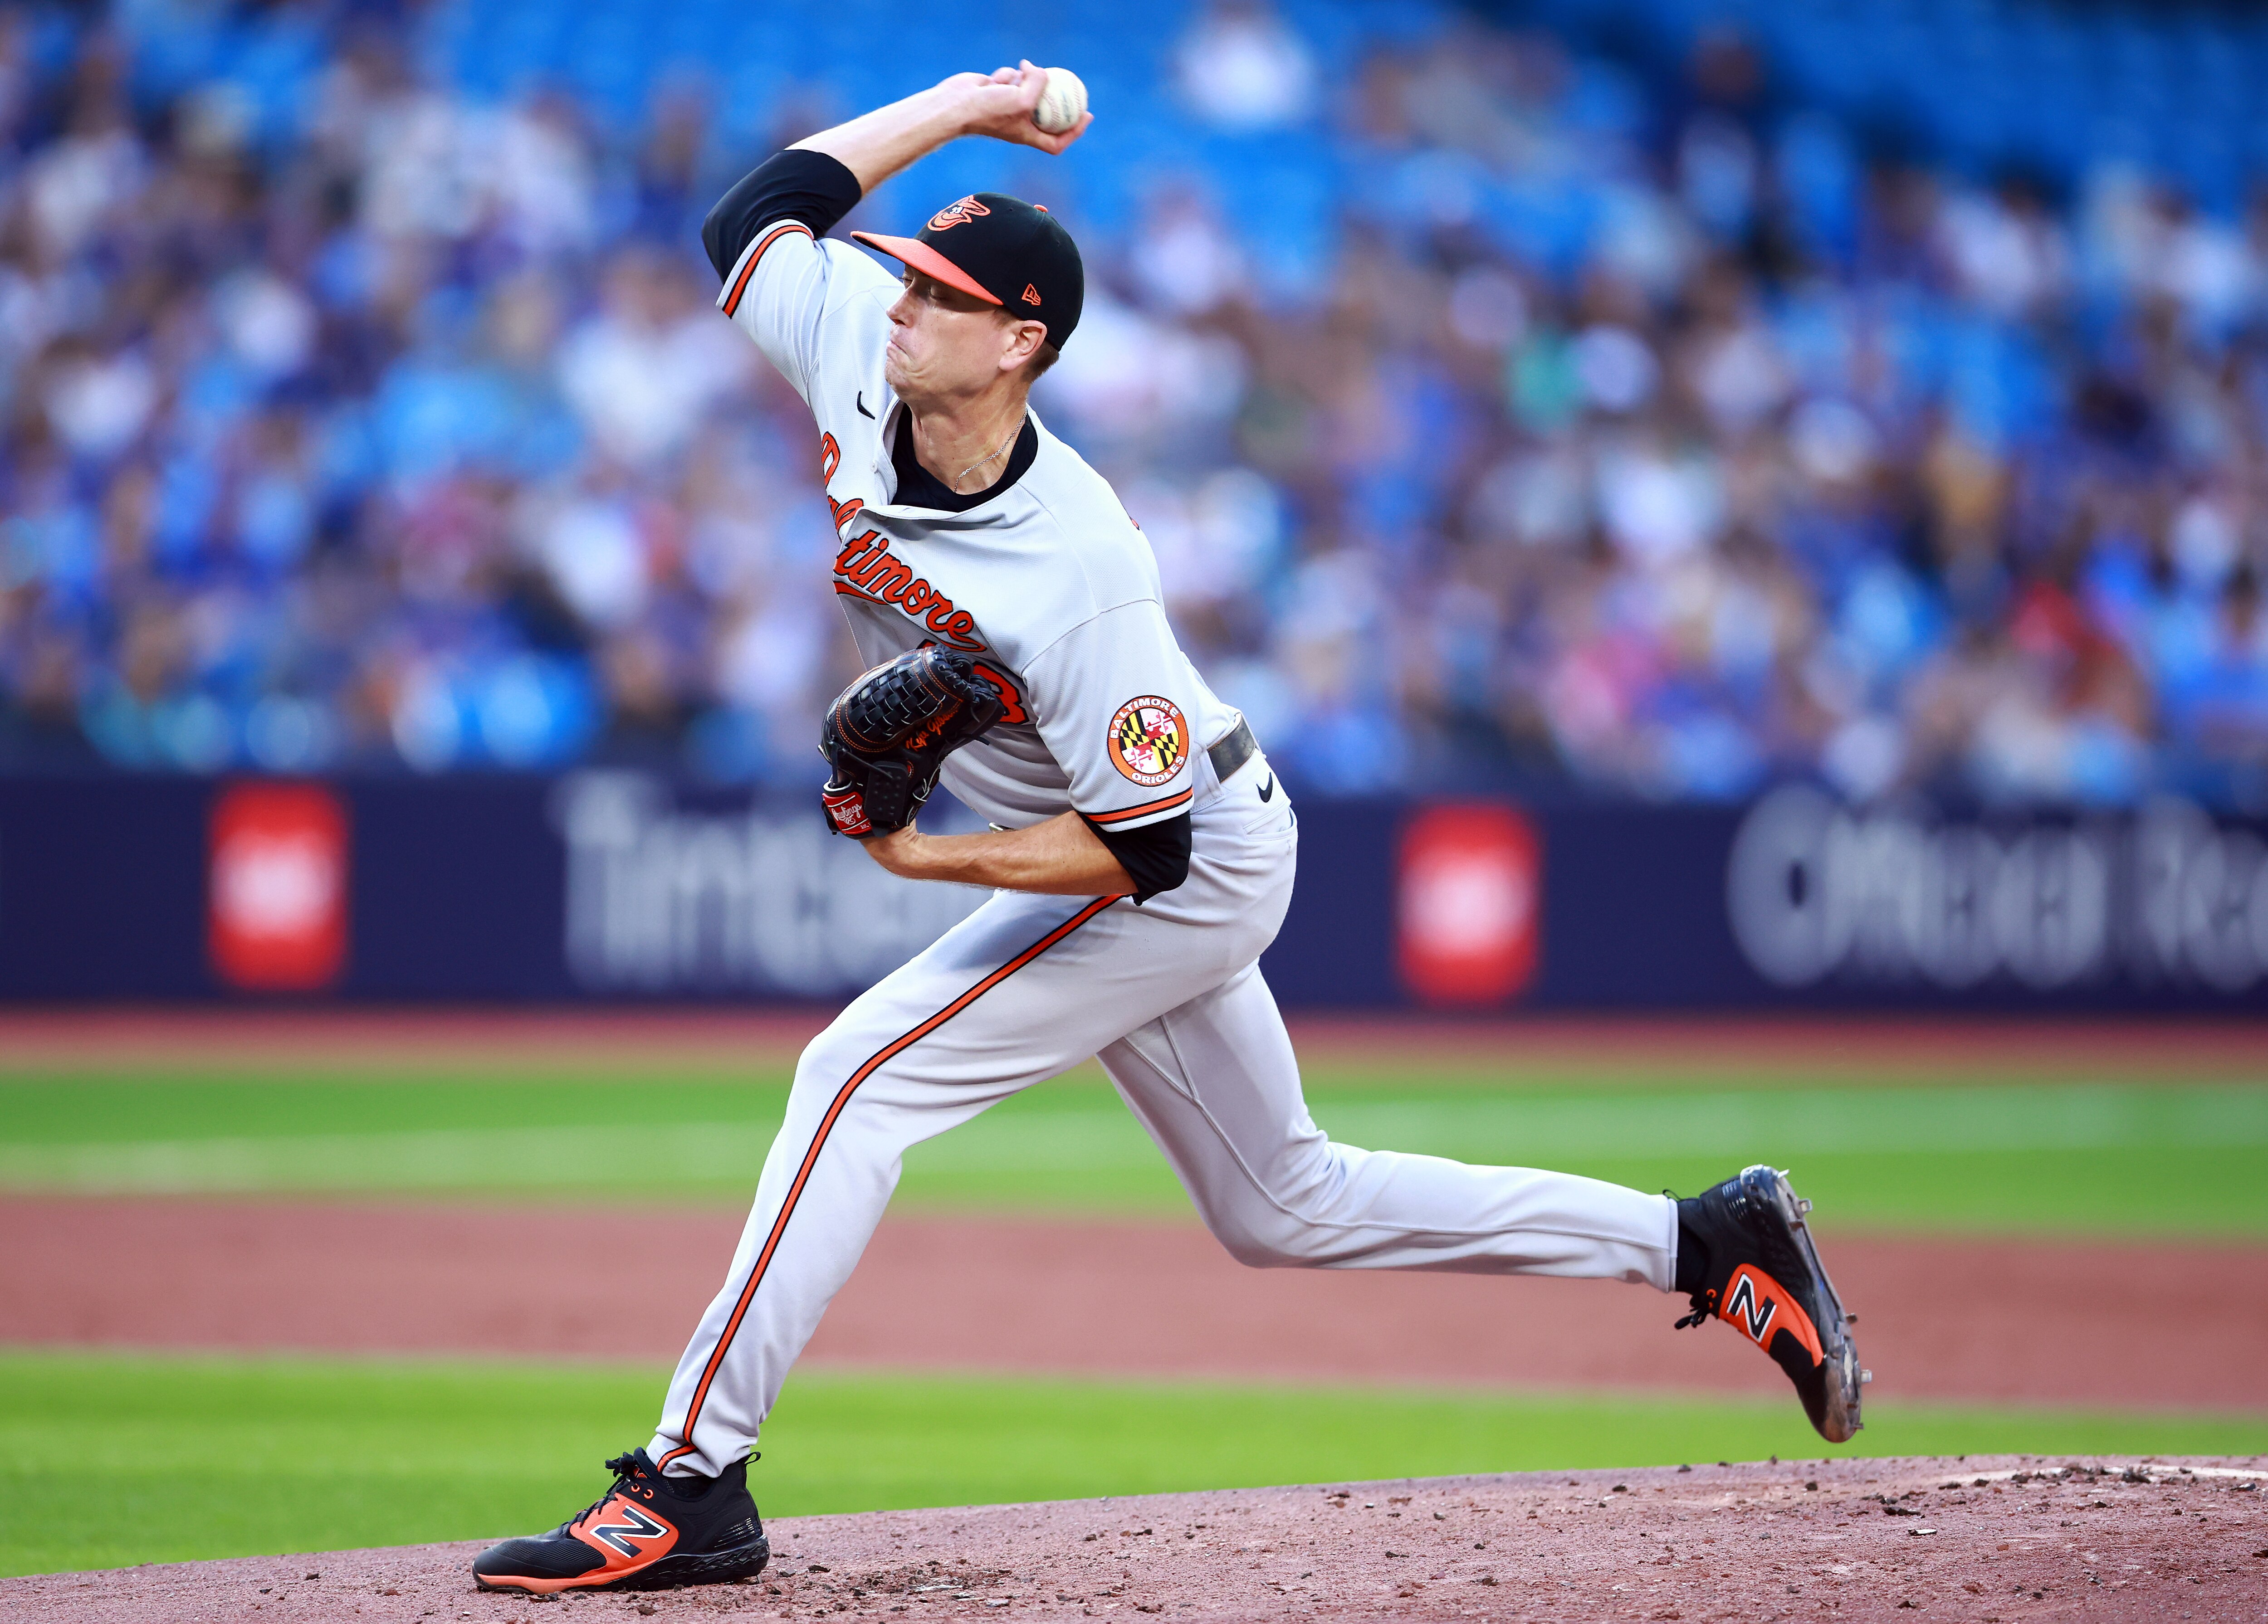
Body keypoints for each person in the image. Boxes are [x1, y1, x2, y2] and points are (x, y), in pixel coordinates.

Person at [471, 63, 1865, 1597]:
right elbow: (757, 214)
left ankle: (692, 1482)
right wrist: (964, 104)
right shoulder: (860, 367)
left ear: (1021, 345)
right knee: (1286, 1206)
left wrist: (918, 858)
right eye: (905, 277)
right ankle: (1709, 1240)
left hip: (1182, 850)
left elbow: (1148, 858)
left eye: (938, 293)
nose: (896, 303)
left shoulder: (1081, 568)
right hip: (1143, 848)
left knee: (853, 1078)